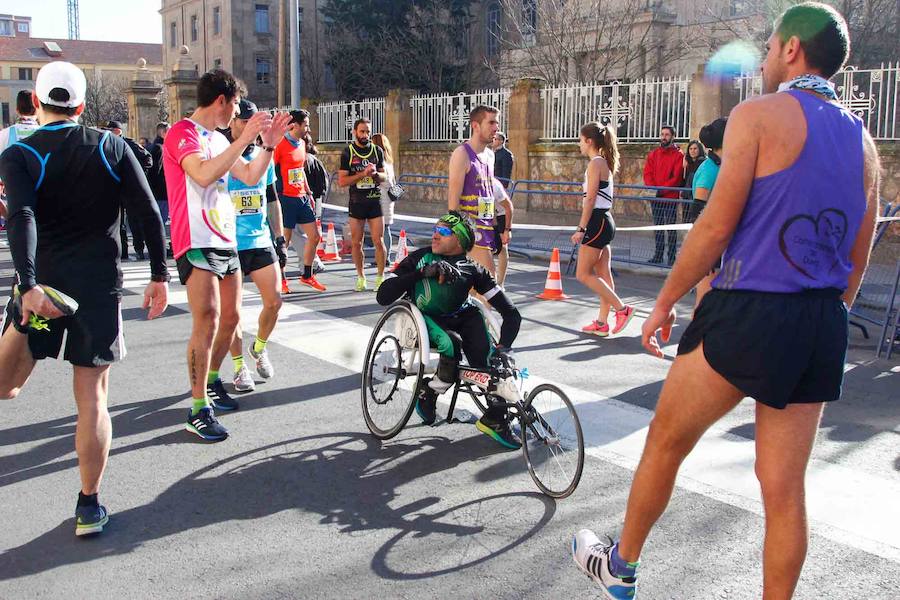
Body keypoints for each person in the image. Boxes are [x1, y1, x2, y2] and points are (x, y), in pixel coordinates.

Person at [572, 4, 881, 599]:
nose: (764, 59)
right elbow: (858, 258)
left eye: (768, 47)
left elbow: (713, 227)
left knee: (666, 440)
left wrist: (663, 302)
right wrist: (819, 315)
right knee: (784, 492)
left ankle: (621, 566)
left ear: (792, 49)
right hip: (820, 320)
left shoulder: (759, 115)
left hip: (748, 310)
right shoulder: (864, 144)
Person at [0, 61, 170, 536]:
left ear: (36, 103)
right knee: (92, 399)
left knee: (4, 386)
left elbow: (22, 217)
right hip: (97, 288)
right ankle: (89, 506)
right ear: (80, 105)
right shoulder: (112, 146)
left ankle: (17, 311)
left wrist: (29, 285)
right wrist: (159, 275)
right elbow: (147, 213)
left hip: (44, 289)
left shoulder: (20, 154)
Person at [163, 69, 290, 442]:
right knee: (207, 318)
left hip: (225, 237)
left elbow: (251, 176)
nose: (236, 114)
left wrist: (267, 146)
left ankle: (213, 379)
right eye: (234, 105)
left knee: (232, 319)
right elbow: (201, 175)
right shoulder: (182, 133)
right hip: (195, 239)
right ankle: (197, 407)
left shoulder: (219, 139)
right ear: (221, 99)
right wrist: (244, 137)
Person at [376, 211, 523, 449]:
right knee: (451, 344)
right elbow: (383, 295)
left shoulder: (474, 269)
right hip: (425, 316)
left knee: (489, 361)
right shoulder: (421, 257)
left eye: (444, 231)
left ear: (460, 241)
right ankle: (429, 390)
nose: (435, 234)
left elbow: (511, 313)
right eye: (436, 228)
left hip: (462, 314)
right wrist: (422, 273)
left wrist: (504, 346)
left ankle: (495, 418)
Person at [225, 99, 286, 392]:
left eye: (254, 121)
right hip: (229, 242)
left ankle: (259, 348)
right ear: (234, 122)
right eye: (244, 120)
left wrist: (280, 238)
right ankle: (238, 367)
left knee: (274, 301)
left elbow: (272, 198)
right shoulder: (221, 153)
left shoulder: (265, 154)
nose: (249, 125)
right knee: (232, 312)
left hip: (259, 239)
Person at [571, 122, 636, 337]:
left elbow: (590, 199)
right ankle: (601, 322)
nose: (579, 144)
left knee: (582, 273)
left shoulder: (595, 163)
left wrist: (581, 228)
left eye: (580, 139)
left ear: (589, 141)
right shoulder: (602, 162)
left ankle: (622, 309)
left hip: (597, 221)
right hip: (604, 220)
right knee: (603, 273)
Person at [273, 109, 325, 292]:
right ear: (295, 125)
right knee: (284, 242)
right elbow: (270, 169)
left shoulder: (302, 144)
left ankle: (307, 275)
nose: (308, 129)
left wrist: (308, 192)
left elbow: (300, 169)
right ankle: (281, 279)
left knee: (315, 236)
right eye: (306, 125)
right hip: (286, 198)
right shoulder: (280, 144)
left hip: (301, 196)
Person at [448, 105, 500, 275]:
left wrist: (495, 227)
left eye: (497, 123)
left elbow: (488, 195)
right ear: (475, 126)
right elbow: (453, 203)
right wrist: (461, 234)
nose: (496, 128)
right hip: (470, 229)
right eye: (491, 122)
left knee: (472, 287)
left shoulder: (490, 155)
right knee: (488, 280)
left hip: (486, 227)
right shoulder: (462, 154)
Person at [338, 117, 387, 291]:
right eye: (362, 131)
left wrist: (374, 175)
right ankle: (361, 277)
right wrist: (361, 174)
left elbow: (384, 177)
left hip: (374, 201)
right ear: (354, 132)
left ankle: (380, 277)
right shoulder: (348, 152)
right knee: (356, 242)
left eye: (368, 131)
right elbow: (342, 181)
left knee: (378, 241)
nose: (365, 135)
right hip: (356, 202)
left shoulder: (377, 151)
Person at [691, 118, 727, 309]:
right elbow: (698, 206)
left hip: (720, 237)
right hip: (709, 238)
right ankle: (698, 337)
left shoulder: (721, 165)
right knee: (704, 298)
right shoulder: (710, 168)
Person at [106, 120, 153, 261]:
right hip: (115, 188)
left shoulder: (129, 143)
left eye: (111, 129)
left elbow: (148, 159)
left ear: (118, 131)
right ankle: (123, 252)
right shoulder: (106, 143)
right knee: (117, 222)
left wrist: (137, 175)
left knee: (134, 220)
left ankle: (139, 248)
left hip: (128, 188)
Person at [643, 125, 684, 265]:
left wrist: (660, 190)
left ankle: (671, 258)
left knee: (671, 229)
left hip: (670, 197)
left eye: (667, 134)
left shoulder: (679, 155)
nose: (664, 137)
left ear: (673, 137)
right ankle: (658, 255)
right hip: (656, 197)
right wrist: (653, 189)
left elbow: (677, 177)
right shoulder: (653, 154)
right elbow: (647, 173)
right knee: (658, 227)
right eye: (662, 134)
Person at [0, 90, 41, 222]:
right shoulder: (48, 134)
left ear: (17, 110)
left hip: (16, 206)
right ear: (37, 107)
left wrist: (8, 216)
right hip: (45, 205)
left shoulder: (5, 134)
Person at [302, 132, 328, 275]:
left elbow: (322, 182)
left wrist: (316, 196)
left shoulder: (309, 160)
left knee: (304, 236)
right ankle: (310, 263)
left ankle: (312, 263)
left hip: (308, 199)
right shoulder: (310, 159)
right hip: (311, 199)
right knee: (308, 235)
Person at [371, 132, 396, 263]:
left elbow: (387, 182)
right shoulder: (389, 162)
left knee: (383, 230)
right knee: (384, 229)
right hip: (387, 199)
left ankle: (384, 258)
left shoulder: (382, 164)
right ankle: (383, 256)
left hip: (383, 200)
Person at [491, 176, 514, 287]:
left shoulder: (495, 186)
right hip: (489, 214)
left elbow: (509, 207)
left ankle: (500, 283)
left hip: (502, 213)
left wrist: (507, 230)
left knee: (502, 248)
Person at [147, 122, 170, 227]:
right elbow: (156, 171)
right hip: (160, 192)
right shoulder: (159, 148)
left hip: (156, 191)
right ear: (162, 132)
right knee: (160, 222)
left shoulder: (152, 146)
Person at [680, 139, 706, 223]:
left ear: (699, 150)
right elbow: (684, 179)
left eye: (695, 149)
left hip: (696, 196)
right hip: (687, 196)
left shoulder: (703, 162)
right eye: (690, 149)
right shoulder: (688, 163)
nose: (692, 151)